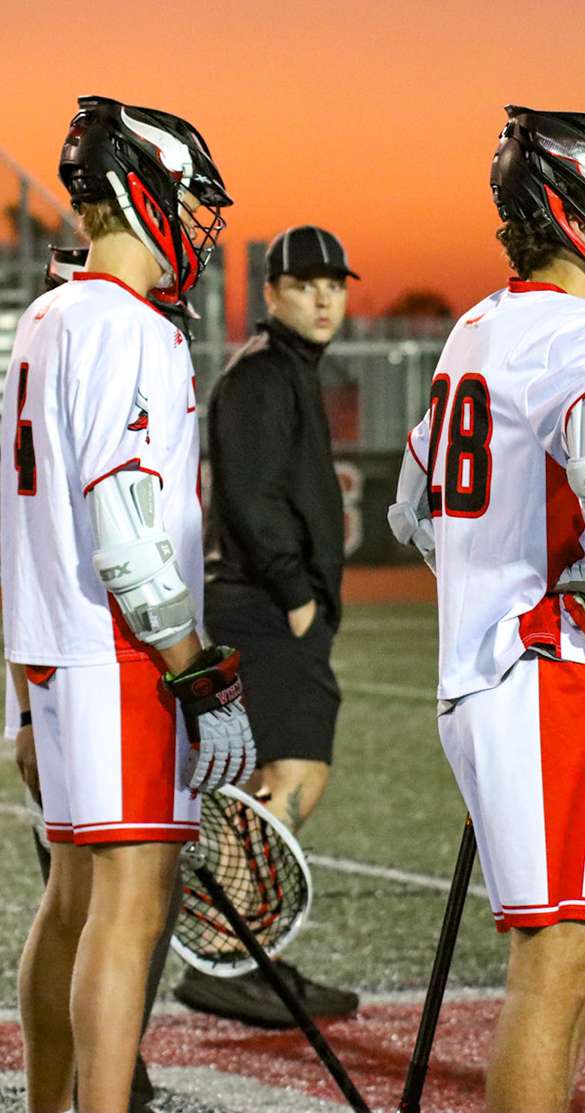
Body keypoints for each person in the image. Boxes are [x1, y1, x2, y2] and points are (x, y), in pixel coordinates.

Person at [386, 106, 585, 1112]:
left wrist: (493, 573)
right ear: (578, 209)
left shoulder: (479, 325)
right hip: (537, 670)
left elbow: (412, 507)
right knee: (557, 959)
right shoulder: (583, 328)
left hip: (492, 667)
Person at [3, 95, 256, 1113]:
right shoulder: (127, 324)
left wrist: (21, 700)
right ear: (139, 192)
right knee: (131, 901)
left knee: (70, 899)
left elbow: (28, 518)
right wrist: (194, 666)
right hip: (120, 653)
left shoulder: (48, 313)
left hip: (55, 650)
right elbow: (122, 517)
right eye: (189, 200)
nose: (198, 224)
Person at [177, 224, 362, 1026]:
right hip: (261, 607)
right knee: (296, 773)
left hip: (265, 607)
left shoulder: (285, 370)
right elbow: (251, 497)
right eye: (306, 284)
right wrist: (297, 594)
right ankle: (231, 950)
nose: (324, 299)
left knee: (269, 778)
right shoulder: (261, 373)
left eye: (336, 285)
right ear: (272, 293)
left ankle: (248, 954)